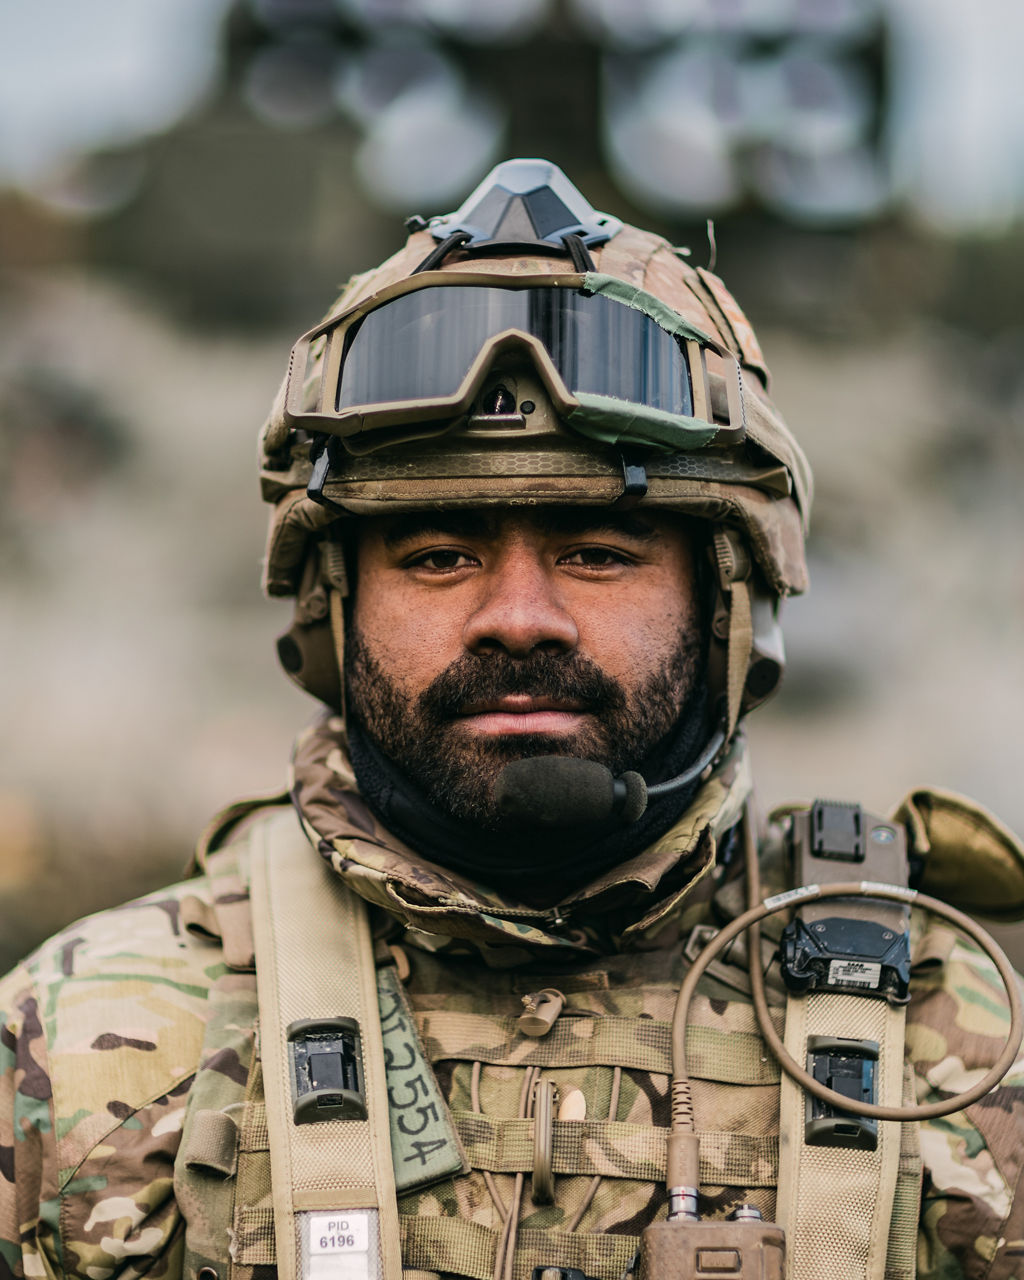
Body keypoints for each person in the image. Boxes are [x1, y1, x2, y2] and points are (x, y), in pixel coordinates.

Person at [2, 159, 1023, 1280]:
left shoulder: (961, 1047)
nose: (519, 619)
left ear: (728, 601)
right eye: (439, 556)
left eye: (598, 552)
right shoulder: (80, 1040)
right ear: (331, 613)